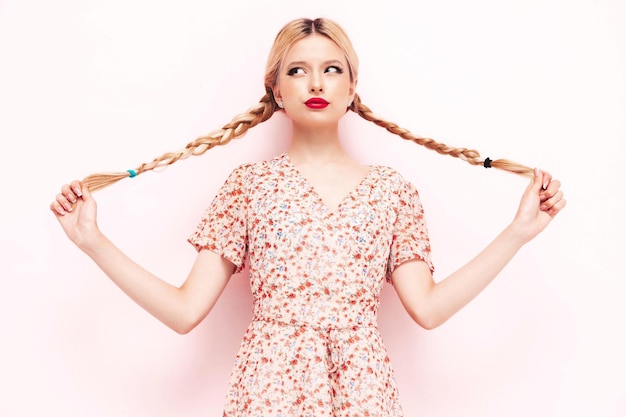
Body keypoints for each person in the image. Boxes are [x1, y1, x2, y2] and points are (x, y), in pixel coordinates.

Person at [50, 17, 565, 417]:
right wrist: (93, 241)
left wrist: (517, 233)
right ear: (277, 90)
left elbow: (428, 308)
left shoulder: (392, 191)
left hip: (364, 390)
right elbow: (185, 311)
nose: (315, 81)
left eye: (331, 68)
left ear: (351, 86)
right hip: (268, 389)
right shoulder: (248, 186)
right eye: (297, 69)